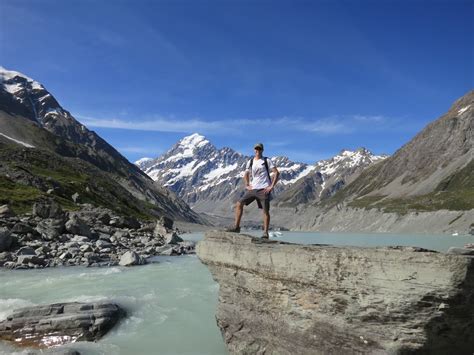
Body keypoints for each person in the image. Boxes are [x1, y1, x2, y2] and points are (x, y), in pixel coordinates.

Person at [226, 142, 280, 238]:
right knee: (239, 204)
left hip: (264, 189)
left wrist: (271, 186)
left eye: (259, 149)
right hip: (253, 188)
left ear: (262, 150)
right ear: (254, 150)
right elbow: (246, 174)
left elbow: (276, 172)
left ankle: (265, 233)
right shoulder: (250, 161)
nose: (257, 151)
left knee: (265, 211)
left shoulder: (267, 160)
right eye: (256, 149)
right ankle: (236, 227)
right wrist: (247, 184)